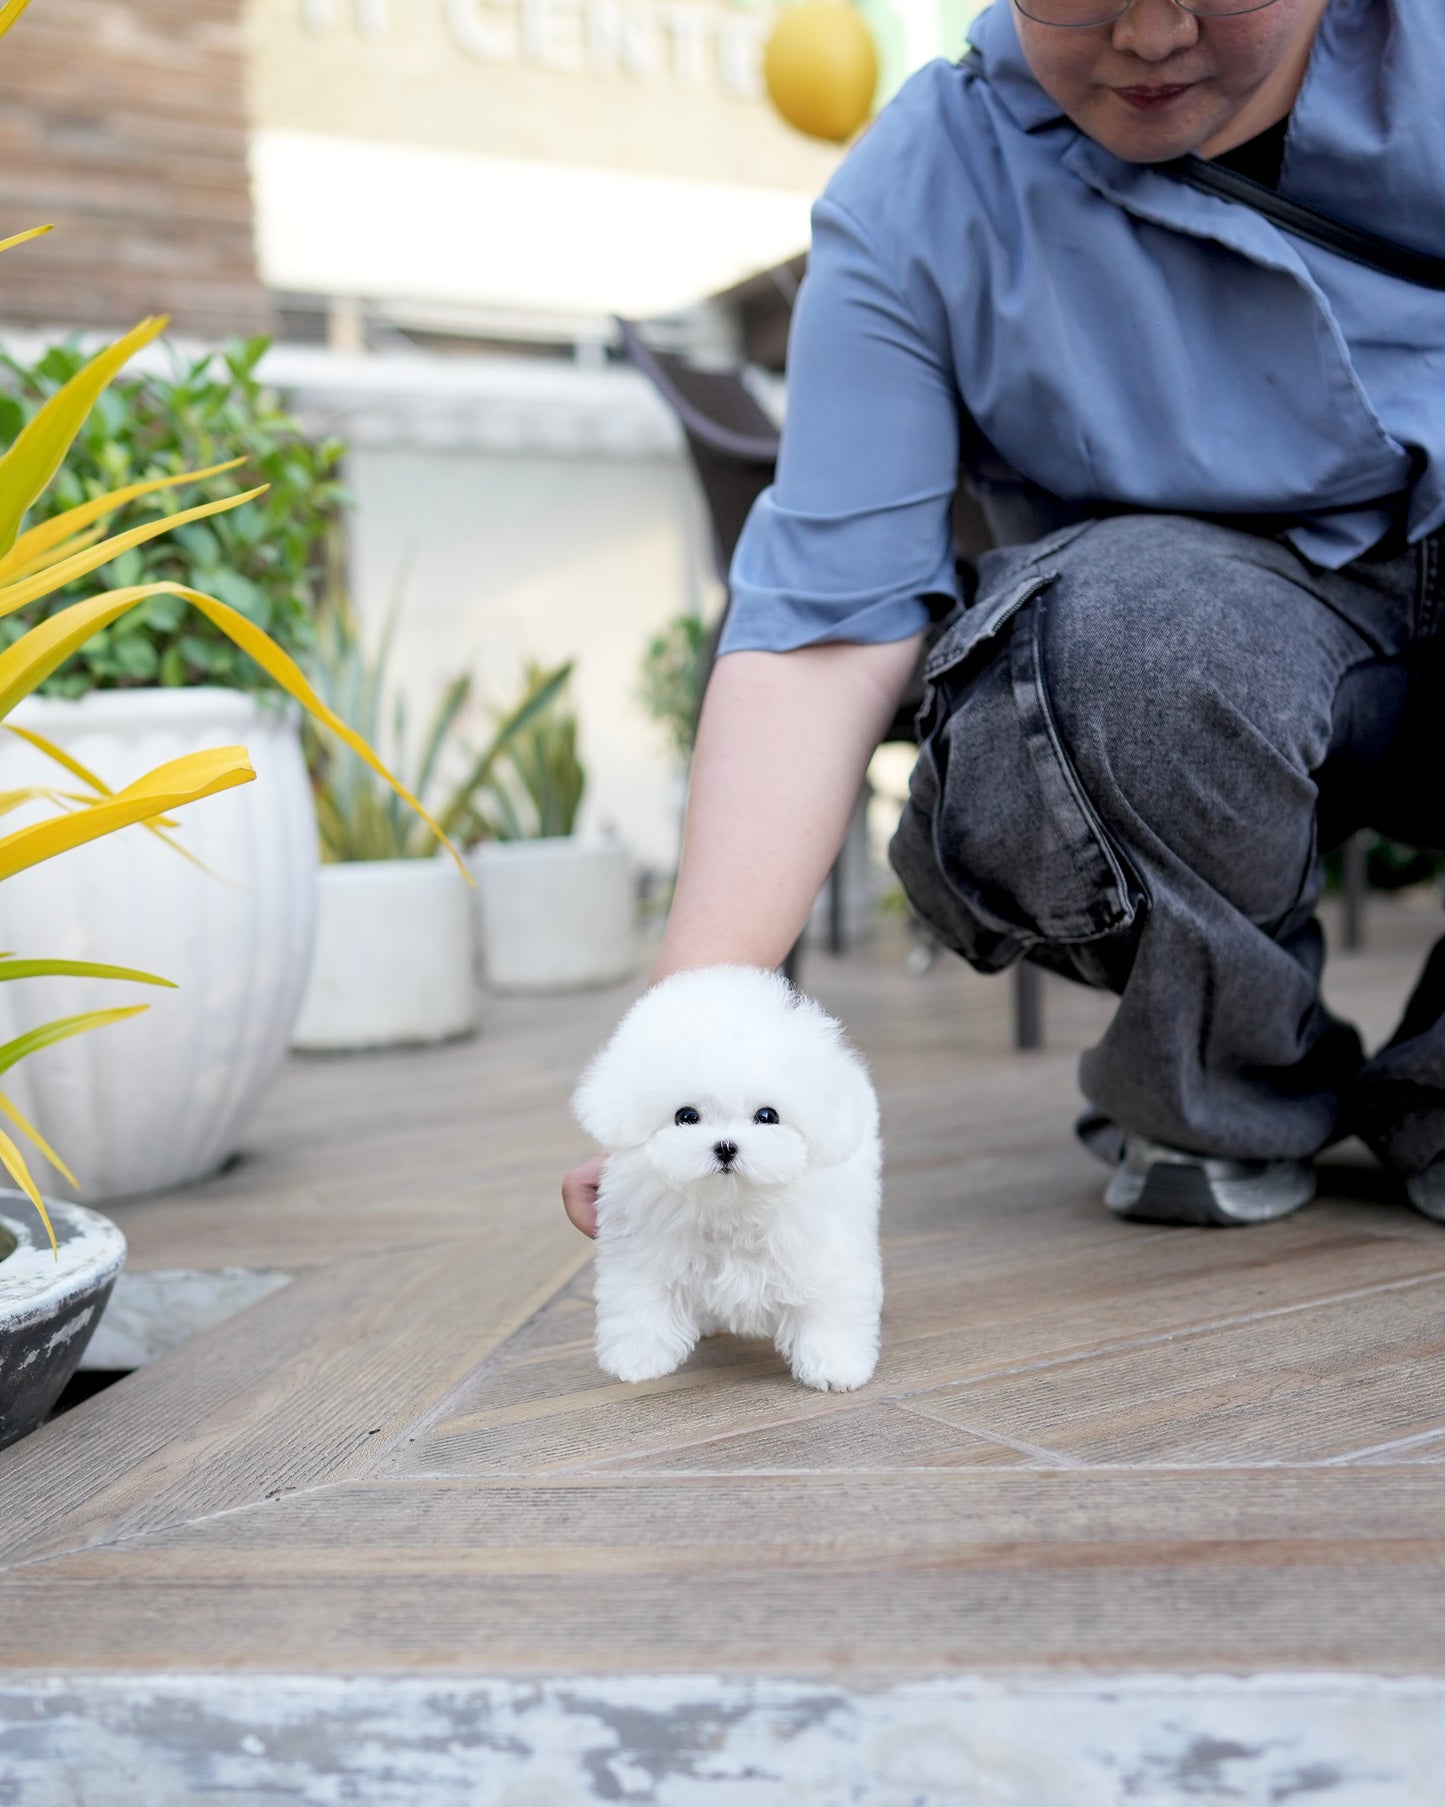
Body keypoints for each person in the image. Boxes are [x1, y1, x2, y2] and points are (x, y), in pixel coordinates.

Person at [564, 0, 1445, 1237]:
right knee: (1111, 643)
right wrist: (687, 1053)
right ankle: (1215, 1083)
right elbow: (824, 633)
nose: (1146, 35)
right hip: (1216, 668)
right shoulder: (923, 190)